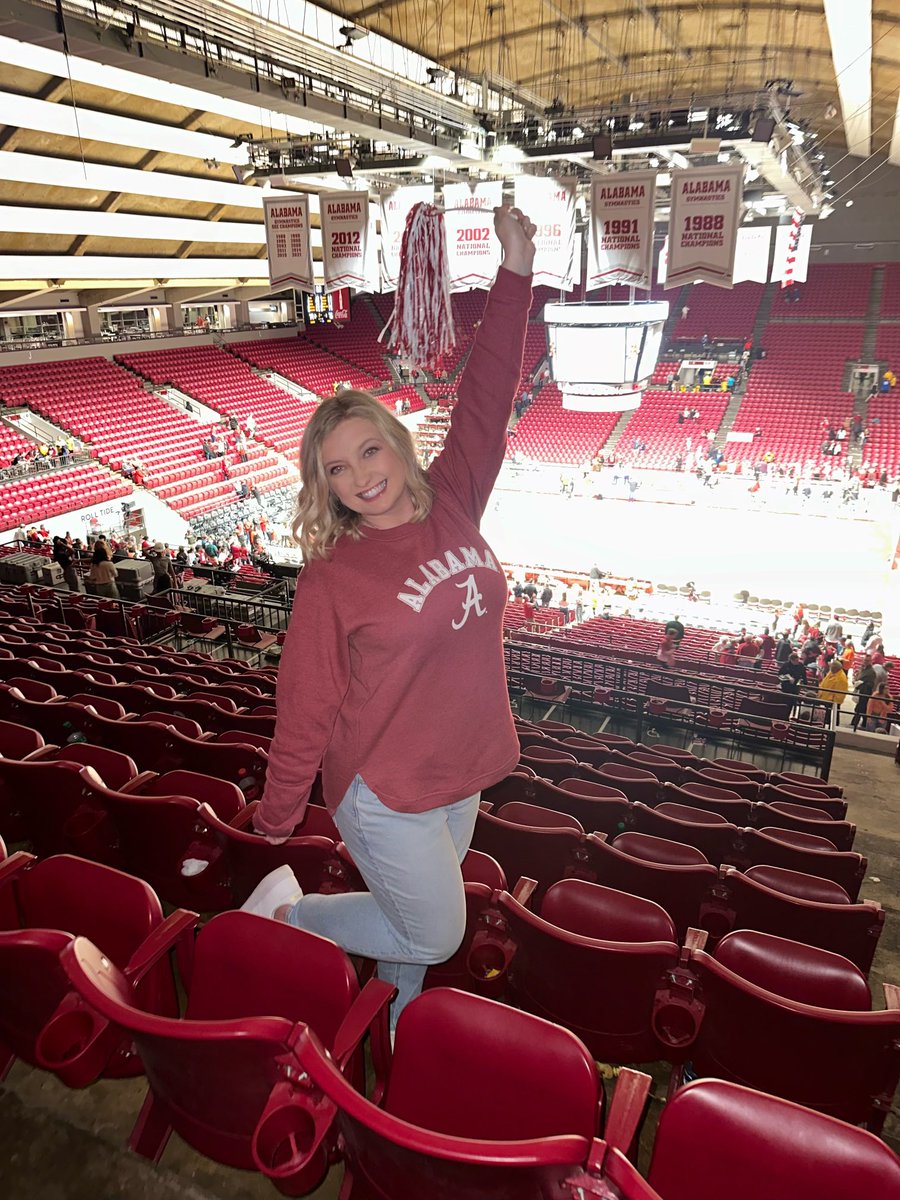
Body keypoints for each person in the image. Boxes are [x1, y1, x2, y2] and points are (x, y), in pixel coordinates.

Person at [241, 204, 536, 1032]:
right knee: (436, 930)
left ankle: (400, 1003)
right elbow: (304, 709)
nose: (361, 475)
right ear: (325, 486)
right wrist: (276, 821)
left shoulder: (453, 501)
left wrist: (516, 273)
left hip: (461, 768)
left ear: (399, 446)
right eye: (337, 468)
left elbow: (485, 398)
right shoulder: (334, 579)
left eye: (369, 450)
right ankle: (293, 916)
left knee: (414, 921)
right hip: (384, 790)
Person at [817, 658, 849, 725]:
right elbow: (824, 682)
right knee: (825, 717)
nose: (830, 668)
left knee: (832, 718)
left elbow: (840, 694)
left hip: (831, 702)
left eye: (831, 667)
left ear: (835, 669)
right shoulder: (831, 672)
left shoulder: (841, 679)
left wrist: (834, 702)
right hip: (825, 698)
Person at [850, 654, 877, 731]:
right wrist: (856, 681)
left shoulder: (871, 672)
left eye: (867, 660)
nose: (865, 661)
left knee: (860, 708)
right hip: (860, 691)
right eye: (864, 660)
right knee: (861, 709)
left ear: (870, 661)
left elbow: (871, 684)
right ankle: (861, 723)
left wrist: (861, 683)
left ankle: (856, 723)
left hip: (865, 693)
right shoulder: (862, 668)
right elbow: (858, 676)